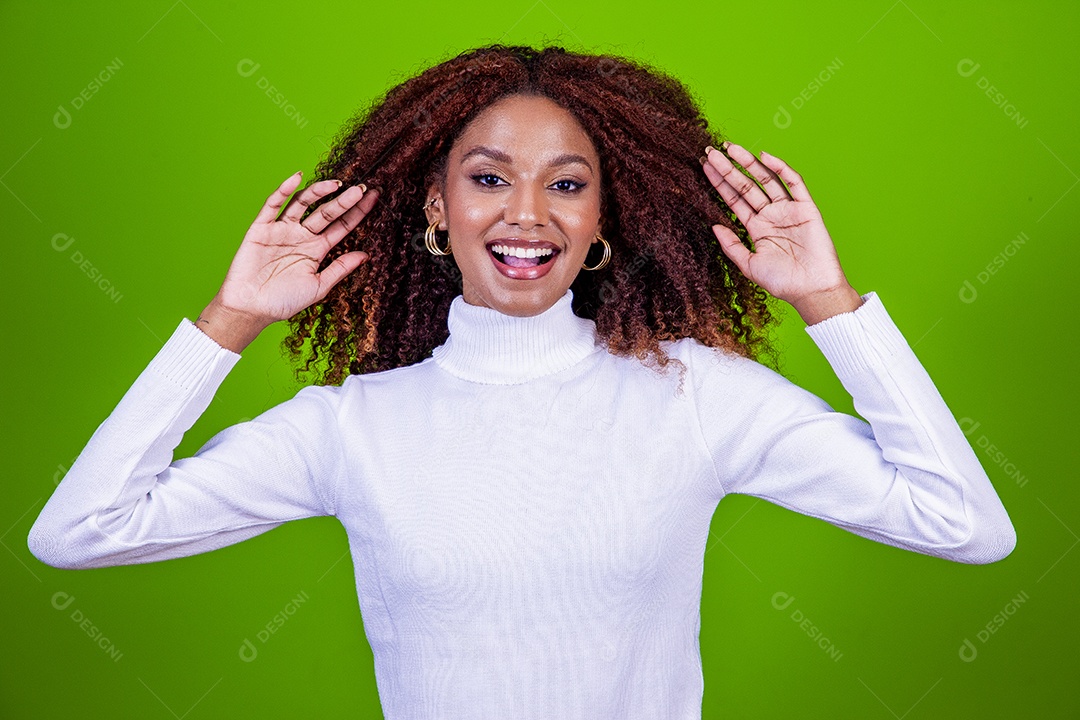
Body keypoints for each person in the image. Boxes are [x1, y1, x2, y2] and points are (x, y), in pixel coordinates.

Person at [27, 44, 1016, 718]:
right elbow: (79, 532)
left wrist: (829, 302)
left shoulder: (695, 396)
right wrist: (230, 319)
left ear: (602, 218)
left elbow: (965, 525)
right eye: (490, 177)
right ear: (436, 205)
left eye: (568, 183)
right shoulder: (352, 427)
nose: (528, 213)